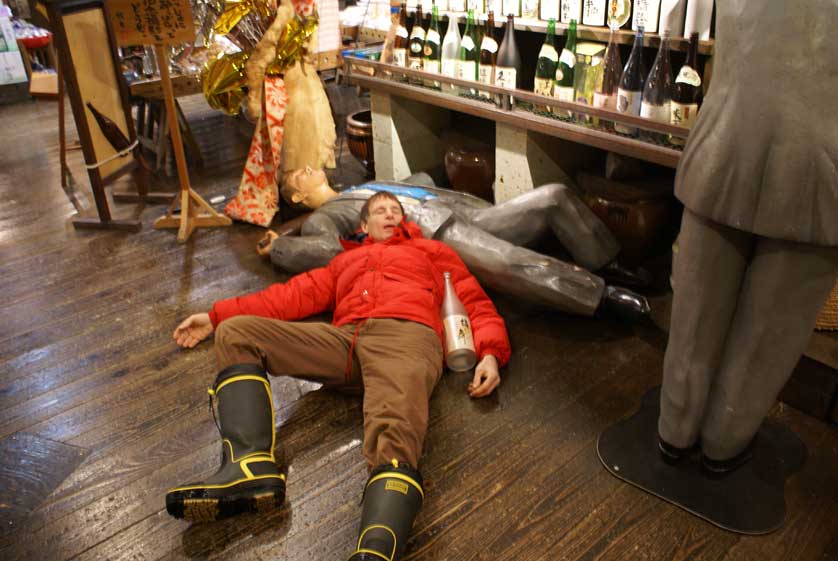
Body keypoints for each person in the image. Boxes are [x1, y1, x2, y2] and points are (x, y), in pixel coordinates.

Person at [165, 191, 511, 561]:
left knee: (393, 428)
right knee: (237, 334)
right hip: (347, 342)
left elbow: (473, 301)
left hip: (406, 334)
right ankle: (247, 469)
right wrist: (216, 316)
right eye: (381, 210)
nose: (390, 215)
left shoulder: (431, 251)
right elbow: (290, 296)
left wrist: (490, 351)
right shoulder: (346, 260)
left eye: (396, 211)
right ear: (364, 225)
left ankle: (376, 551)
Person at [657, 0, 838, 475]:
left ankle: (676, 433)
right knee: (768, 337)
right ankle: (722, 446)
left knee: (694, 319)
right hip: (821, 167)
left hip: (724, 146)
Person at [259, 177, 652, 322]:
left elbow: (423, 180)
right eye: (299, 174)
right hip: (435, 233)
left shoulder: (368, 182)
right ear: (297, 195)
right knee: (506, 261)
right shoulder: (325, 215)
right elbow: (325, 250)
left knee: (554, 196)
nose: (308, 168)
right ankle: (598, 296)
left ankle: (609, 261)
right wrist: (281, 245)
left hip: (468, 211)